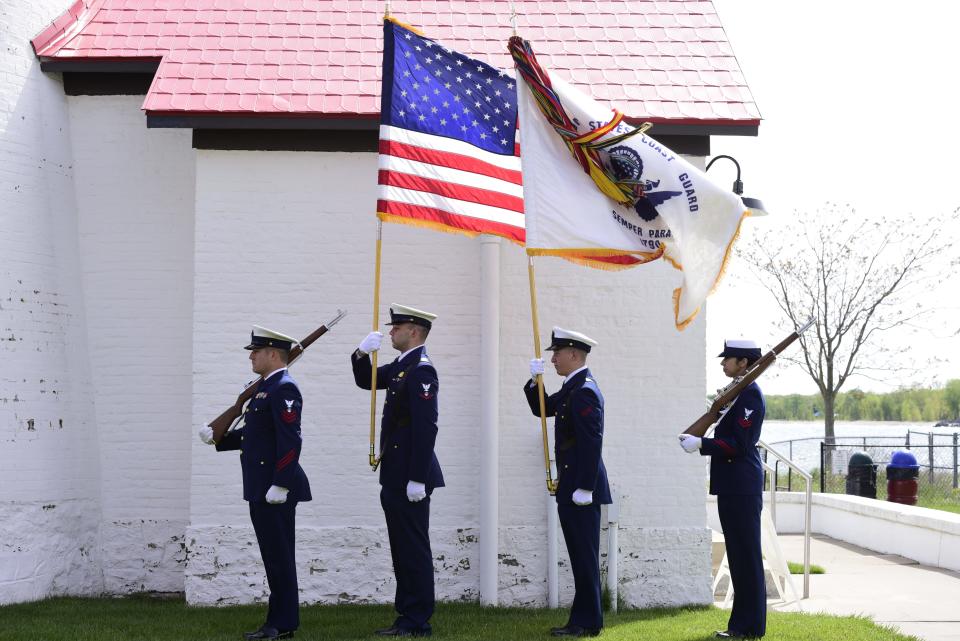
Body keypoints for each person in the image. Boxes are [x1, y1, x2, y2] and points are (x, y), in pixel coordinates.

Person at [199, 326, 312, 641]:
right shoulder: (264, 388)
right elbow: (257, 435)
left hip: (275, 488)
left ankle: (282, 624)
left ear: (273, 354)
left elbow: (290, 441)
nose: (251, 355)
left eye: (256, 351)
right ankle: (279, 622)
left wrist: (281, 483)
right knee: (273, 557)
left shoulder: (283, 389)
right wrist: (219, 438)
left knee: (279, 557)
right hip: (261, 484)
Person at [351, 304, 444, 638]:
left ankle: (417, 619)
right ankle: (406, 616)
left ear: (414, 332)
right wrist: (361, 353)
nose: (391, 332)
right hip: (395, 472)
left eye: (396, 327)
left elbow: (426, 427)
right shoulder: (402, 367)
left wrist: (418, 477)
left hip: (409, 476)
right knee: (401, 548)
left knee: (413, 548)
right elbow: (367, 381)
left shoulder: (421, 370)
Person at [525, 328, 611, 638]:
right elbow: (542, 409)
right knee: (579, 556)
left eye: (556, 354)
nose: (552, 359)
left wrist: (586, 486)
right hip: (573, 486)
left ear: (574, 354)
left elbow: (591, 442)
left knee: (584, 557)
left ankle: (587, 623)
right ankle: (584, 620)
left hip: (581, 489)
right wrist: (534, 382)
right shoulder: (573, 387)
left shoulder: (584, 390)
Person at [679, 339, 767, 639]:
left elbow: (740, 445)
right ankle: (740, 625)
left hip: (742, 485)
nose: (722, 363)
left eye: (728, 359)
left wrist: (702, 443)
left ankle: (750, 626)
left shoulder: (750, 396)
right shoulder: (736, 393)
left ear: (744, 363)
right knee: (738, 556)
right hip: (733, 485)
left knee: (747, 557)